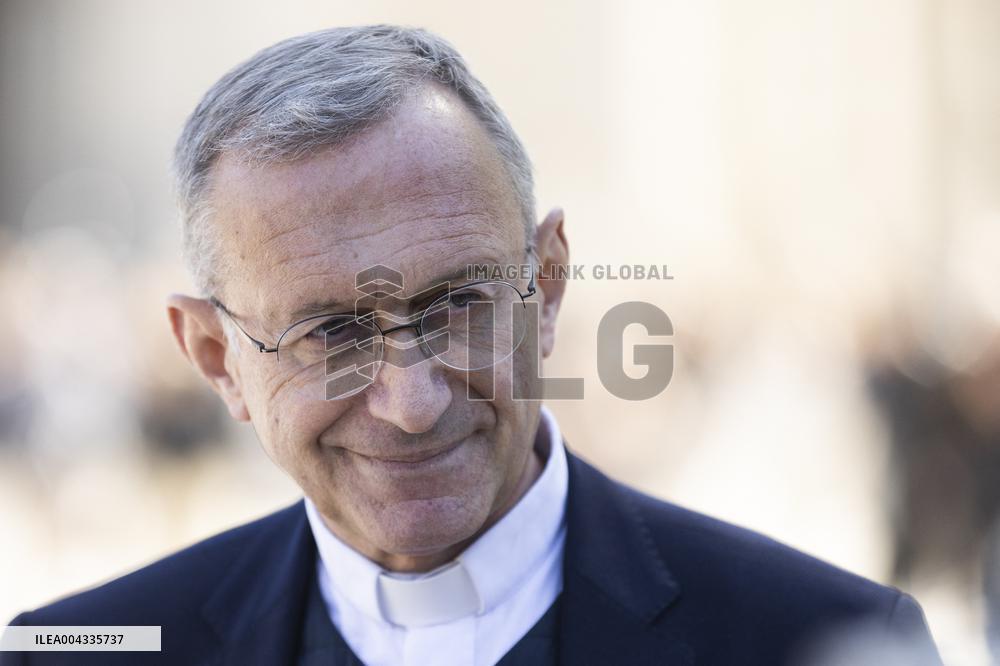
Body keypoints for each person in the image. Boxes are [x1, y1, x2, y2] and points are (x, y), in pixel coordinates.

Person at [2, 25, 942, 665]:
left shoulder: (822, 639)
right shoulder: (89, 648)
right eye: (328, 332)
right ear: (217, 358)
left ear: (550, 284)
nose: (411, 402)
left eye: (458, 303)